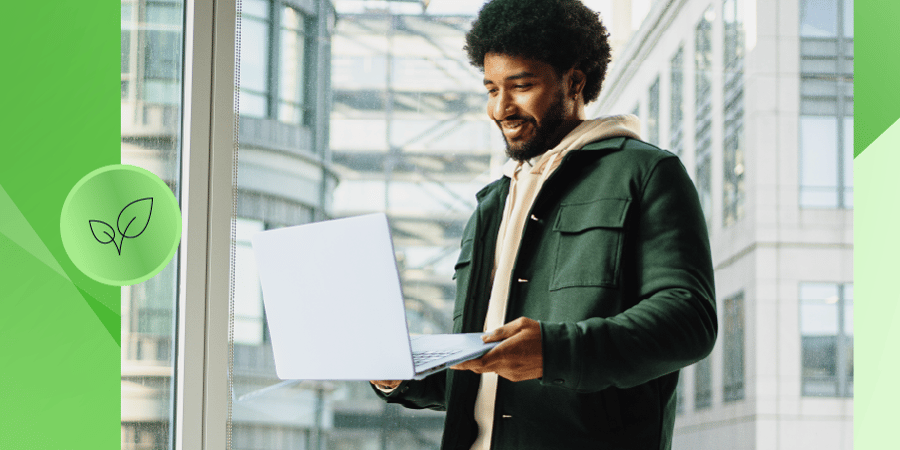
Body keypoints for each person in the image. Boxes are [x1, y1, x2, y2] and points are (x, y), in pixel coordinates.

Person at [370, 0, 717, 448]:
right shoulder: (493, 204)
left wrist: (555, 352)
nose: (500, 108)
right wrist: (398, 375)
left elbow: (688, 321)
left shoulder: (645, 173)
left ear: (574, 82)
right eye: (491, 89)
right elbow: (482, 374)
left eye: (521, 85)